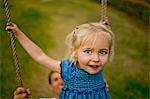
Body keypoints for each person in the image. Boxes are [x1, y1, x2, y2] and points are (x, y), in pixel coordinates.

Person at [7, 21, 114, 99]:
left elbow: (97, 39)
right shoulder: (68, 70)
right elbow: (40, 56)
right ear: (75, 53)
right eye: (88, 51)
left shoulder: (96, 67)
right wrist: (18, 34)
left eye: (102, 52)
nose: (96, 59)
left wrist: (101, 27)